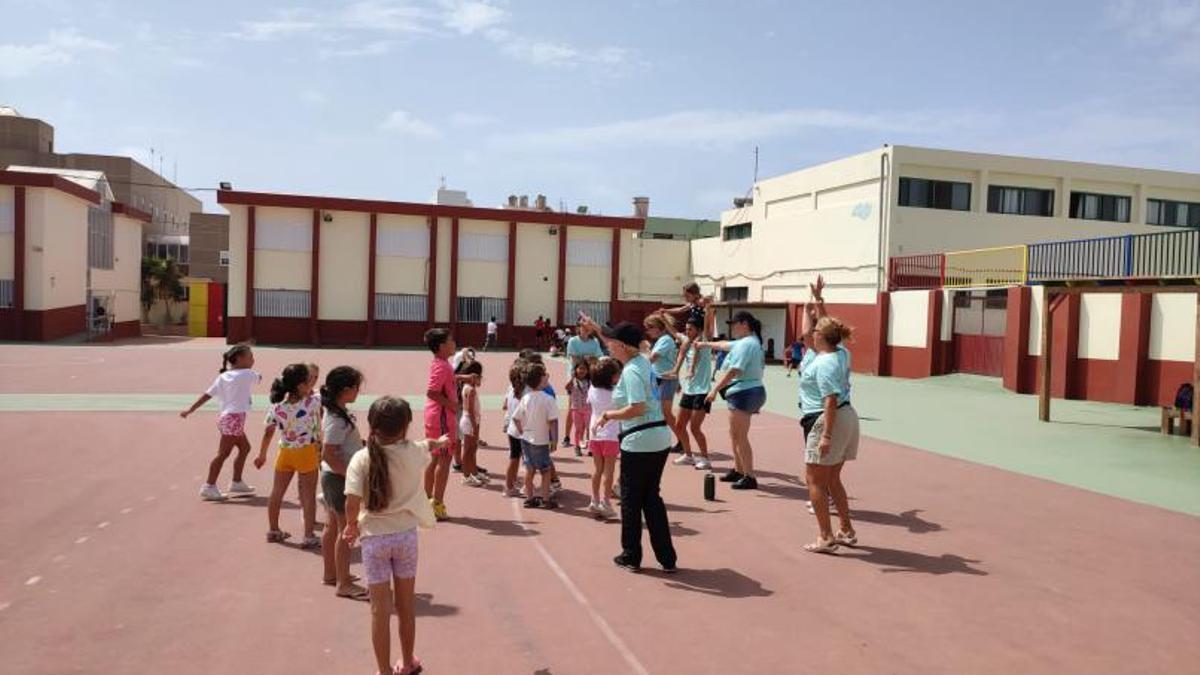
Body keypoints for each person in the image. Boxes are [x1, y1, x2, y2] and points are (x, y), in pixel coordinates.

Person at [343, 396, 449, 675]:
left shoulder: (361, 458)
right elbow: (427, 445)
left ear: (372, 426)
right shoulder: (412, 451)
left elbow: (351, 501)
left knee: (379, 610)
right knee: (405, 605)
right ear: (405, 427)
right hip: (405, 538)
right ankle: (408, 661)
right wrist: (441, 441)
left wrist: (351, 525)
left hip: (374, 539)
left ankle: (383, 669)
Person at [582, 316, 677, 574]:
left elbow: (637, 407)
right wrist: (596, 328)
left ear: (622, 346)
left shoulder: (633, 370)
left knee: (632, 500)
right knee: (651, 499)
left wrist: (609, 415)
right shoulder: (642, 362)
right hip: (657, 438)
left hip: (640, 441)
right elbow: (613, 341)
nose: (608, 347)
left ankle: (631, 554)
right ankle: (666, 557)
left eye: (612, 343)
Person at [798, 316, 860, 553]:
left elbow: (830, 399)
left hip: (825, 420)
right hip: (848, 417)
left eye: (815, 331)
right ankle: (846, 530)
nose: (811, 333)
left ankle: (825, 537)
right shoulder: (841, 353)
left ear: (821, 336)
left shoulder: (824, 364)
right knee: (833, 480)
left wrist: (825, 436)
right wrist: (818, 302)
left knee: (814, 481)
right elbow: (833, 328)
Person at [180, 344, 260, 501]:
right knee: (223, 454)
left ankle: (236, 482)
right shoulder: (247, 373)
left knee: (245, 448)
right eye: (250, 356)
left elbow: (207, 395)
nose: (253, 359)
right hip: (234, 419)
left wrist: (191, 409)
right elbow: (259, 378)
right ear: (239, 359)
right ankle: (209, 486)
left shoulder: (223, 377)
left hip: (228, 418)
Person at [698, 311, 767, 490]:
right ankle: (739, 469)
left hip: (744, 391)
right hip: (746, 391)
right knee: (734, 434)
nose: (732, 328)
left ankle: (749, 476)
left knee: (740, 436)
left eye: (734, 324)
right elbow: (723, 345)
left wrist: (714, 389)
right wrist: (704, 344)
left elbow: (734, 370)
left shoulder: (747, 344)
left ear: (744, 324)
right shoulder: (747, 342)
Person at [254, 363, 321, 548]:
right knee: (308, 496)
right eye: (309, 382)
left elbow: (268, 431)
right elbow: (320, 418)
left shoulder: (277, 407)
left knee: (277, 493)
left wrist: (262, 455)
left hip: (285, 452)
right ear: (300, 385)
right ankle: (308, 535)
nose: (312, 386)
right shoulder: (313, 402)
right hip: (306, 452)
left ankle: (273, 530)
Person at [319, 366, 369, 600]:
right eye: (357, 387)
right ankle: (343, 582)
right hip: (338, 478)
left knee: (333, 526)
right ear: (347, 390)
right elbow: (328, 453)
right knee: (346, 530)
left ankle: (333, 574)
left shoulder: (337, 412)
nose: (359, 391)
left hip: (333, 477)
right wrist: (351, 478)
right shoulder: (336, 419)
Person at [512, 362, 560, 509]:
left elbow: (515, 417)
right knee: (545, 471)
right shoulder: (548, 399)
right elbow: (553, 421)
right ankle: (545, 499)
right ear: (540, 380)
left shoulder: (526, 398)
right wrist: (554, 439)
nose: (547, 377)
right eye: (545, 375)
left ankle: (529, 498)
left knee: (530, 468)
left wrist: (522, 431)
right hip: (541, 440)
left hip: (526, 439)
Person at [422, 328, 457, 521]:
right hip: (442, 418)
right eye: (451, 340)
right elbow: (432, 391)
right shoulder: (443, 366)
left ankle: (426, 499)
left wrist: (461, 378)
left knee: (434, 458)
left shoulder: (441, 363)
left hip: (434, 416)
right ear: (442, 346)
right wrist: (451, 404)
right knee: (444, 460)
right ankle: (437, 504)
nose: (454, 343)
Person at [673, 314, 714, 470]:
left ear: (698, 330)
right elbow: (674, 332)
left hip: (702, 392)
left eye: (690, 329)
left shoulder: (703, 342)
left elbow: (708, 327)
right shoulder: (687, 344)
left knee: (695, 428)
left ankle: (705, 458)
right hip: (689, 390)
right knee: (679, 425)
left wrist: (708, 308)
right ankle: (689, 455)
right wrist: (663, 318)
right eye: (686, 329)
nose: (687, 331)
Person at [586, 357, 621, 517]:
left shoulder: (592, 389)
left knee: (597, 470)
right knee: (609, 472)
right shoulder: (616, 393)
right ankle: (606, 502)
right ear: (610, 377)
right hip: (611, 435)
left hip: (595, 435)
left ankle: (594, 500)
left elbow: (589, 403)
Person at [644, 314, 682, 453]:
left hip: (666, 380)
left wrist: (639, 359)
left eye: (649, 328)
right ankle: (666, 439)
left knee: (666, 413)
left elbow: (653, 358)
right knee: (657, 411)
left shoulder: (666, 339)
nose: (648, 331)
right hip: (658, 379)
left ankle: (681, 440)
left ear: (658, 327)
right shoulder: (660, 340)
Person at [458, 360, 488, 487]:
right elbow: (470, 410)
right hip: (470, 421)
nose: (480, 379)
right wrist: (475, 426)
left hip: (472, 420)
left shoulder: (468, 387)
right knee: (468, 449)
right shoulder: (471, 390)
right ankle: (466, 476)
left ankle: (474, 473)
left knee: (473, 449)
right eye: (479, 376)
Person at [500, 361, 527, 497]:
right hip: (522, 431)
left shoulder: (511, 389)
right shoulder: (525, 392)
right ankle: (527, 488)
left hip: (513, 430)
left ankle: (509, 486)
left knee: (514, 458)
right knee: (527, 461)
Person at [564, 358, 592, 455]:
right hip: (576, 409)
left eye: (584, 369)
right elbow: (566, 387)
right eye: (580, 368)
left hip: (588, 409)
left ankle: (590, 447)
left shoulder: (590, 382)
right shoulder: (573, 381)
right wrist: (572, 378)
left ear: (588, 371)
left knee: (589, 428)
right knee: (578, 429)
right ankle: (577, 446)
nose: (582, 371)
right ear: (575, 370)